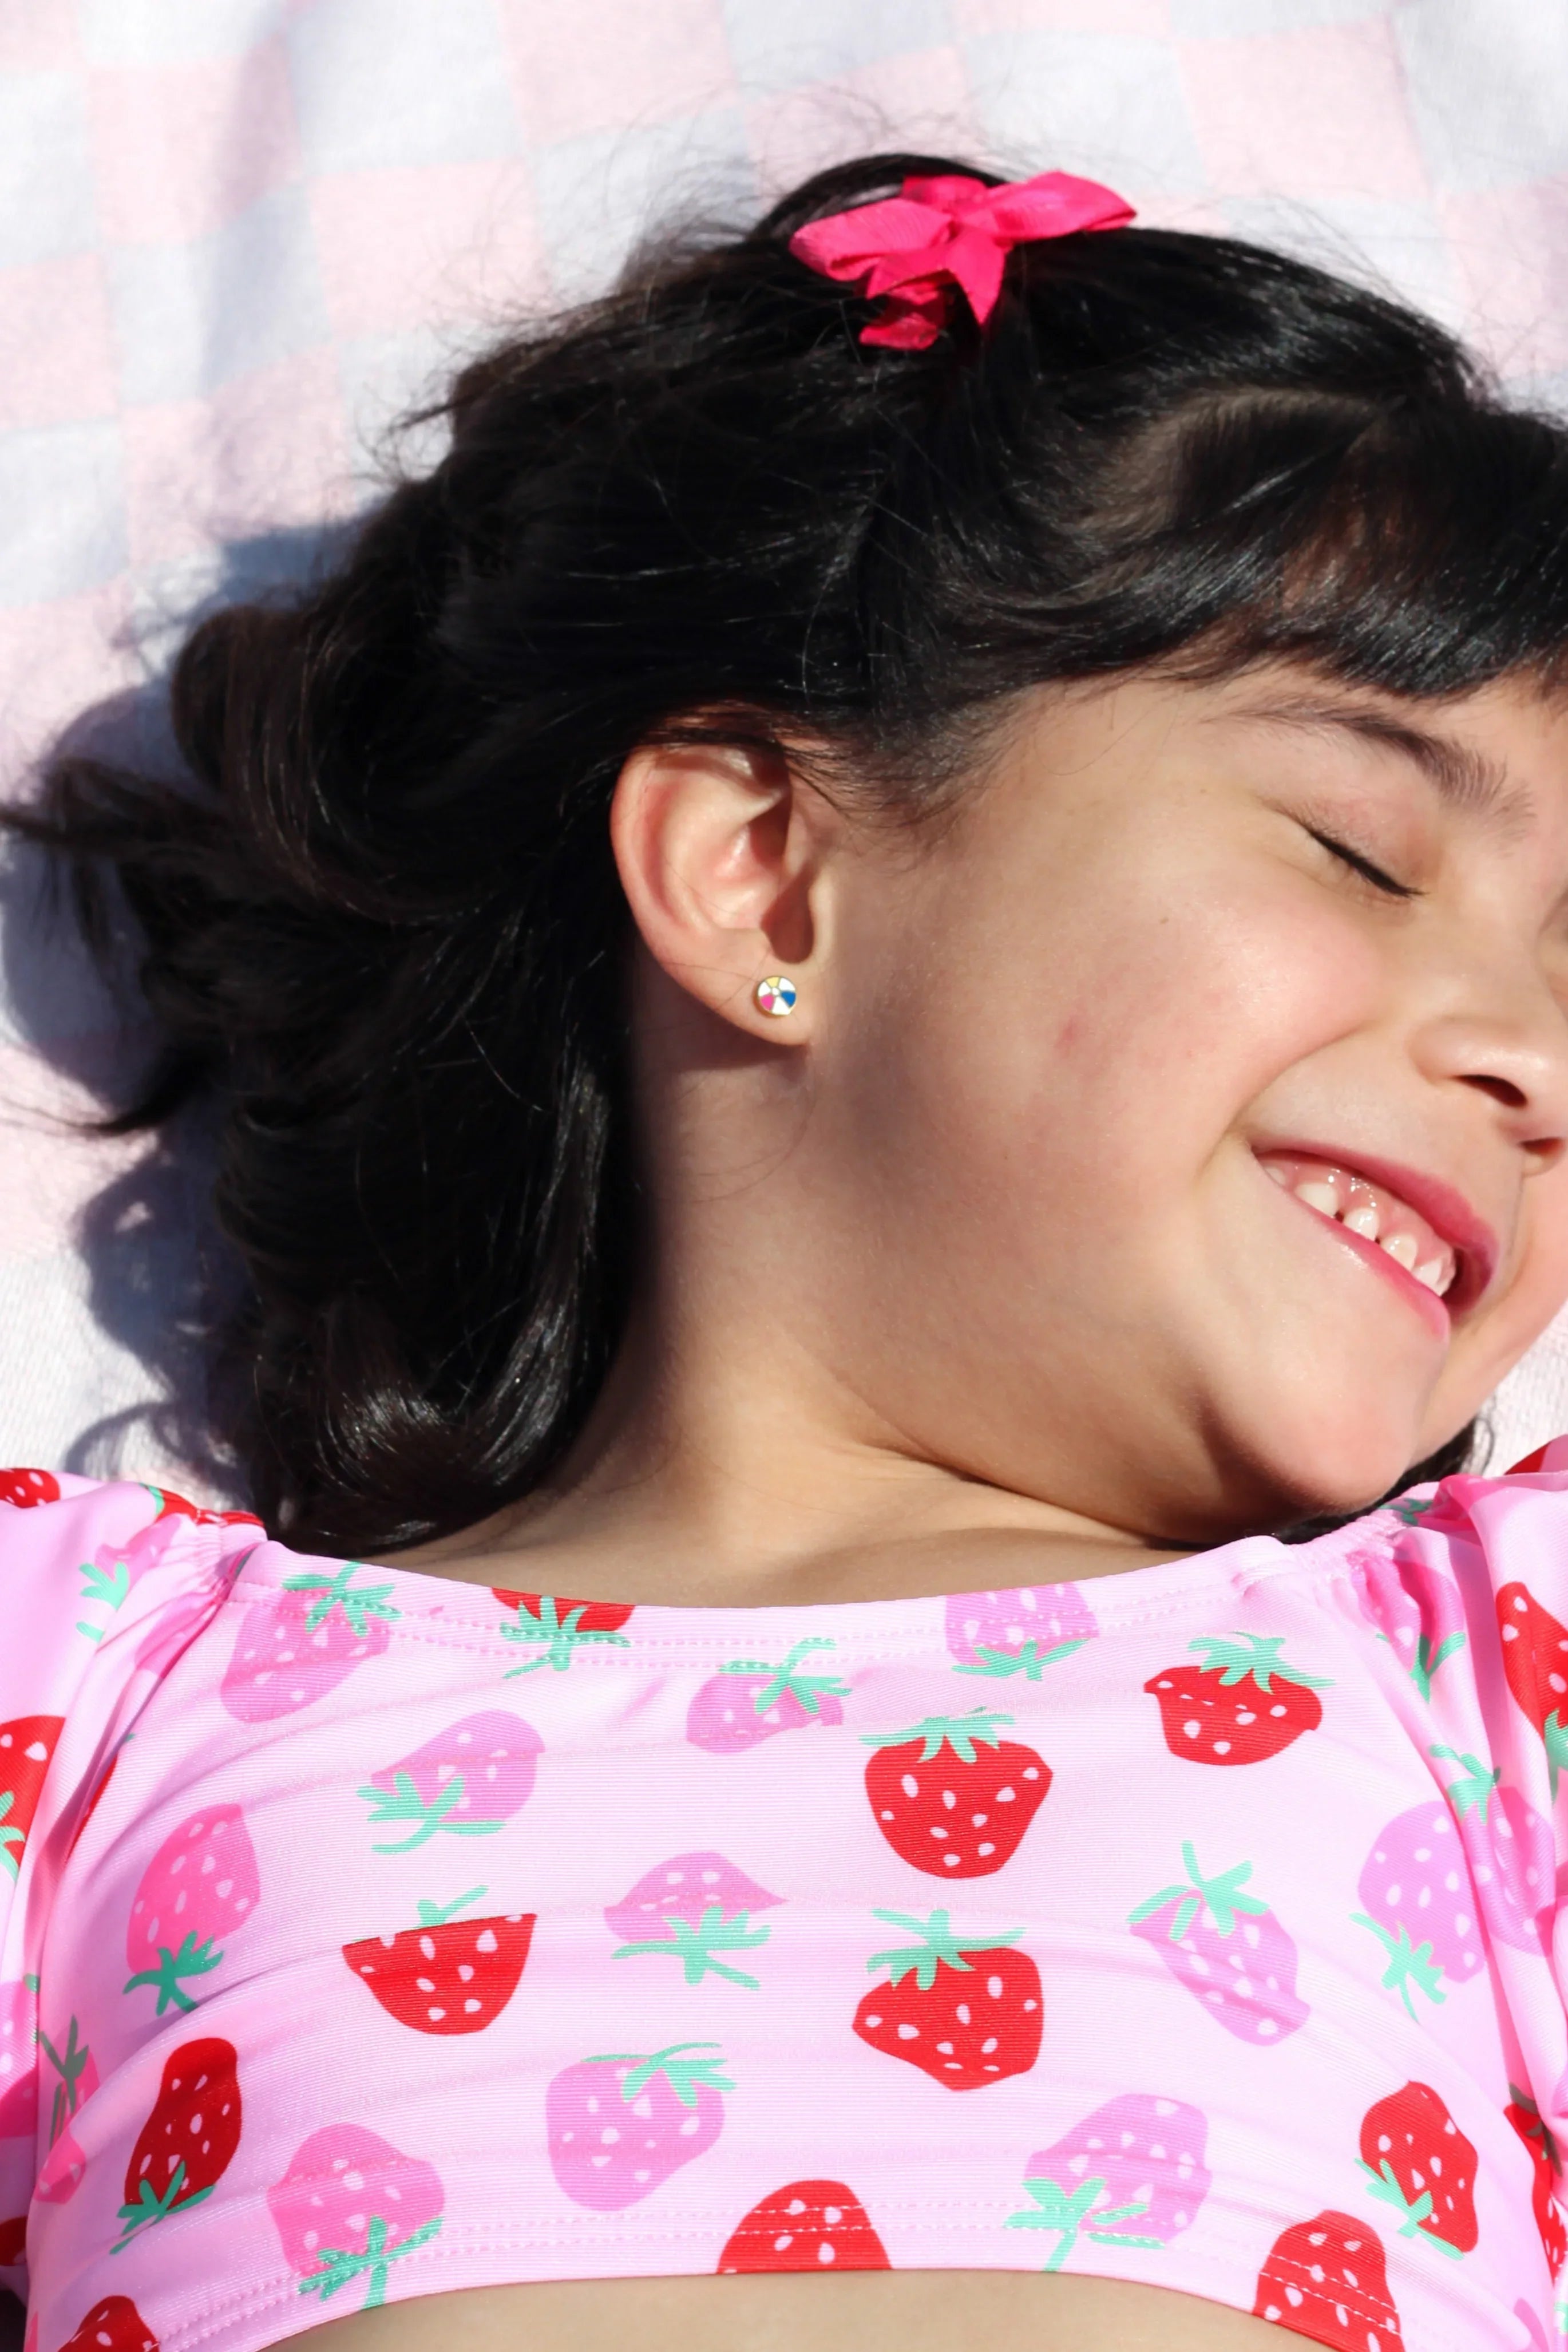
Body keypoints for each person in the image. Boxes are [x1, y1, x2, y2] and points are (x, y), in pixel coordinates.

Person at [4, 149, 1568, 2352]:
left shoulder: (1499, 1681)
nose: (1530, 1055)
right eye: (1358, 848)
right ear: (763, 874)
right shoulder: (88, 1707)